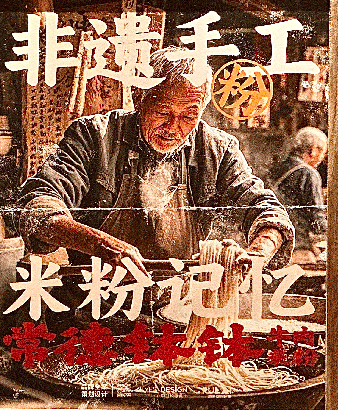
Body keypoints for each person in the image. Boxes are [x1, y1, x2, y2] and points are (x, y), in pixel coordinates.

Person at [17, 46, 294, 277]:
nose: (173, 127)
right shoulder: (94, 136)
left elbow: (266, 209)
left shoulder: (217, 149)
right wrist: (101, 245)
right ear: (139, 97)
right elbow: (38, 205)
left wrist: (257, 253)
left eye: (188, 116)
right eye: (162, 112)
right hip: (95, 299)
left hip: (182, 302)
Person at [267, 126, 327, 258]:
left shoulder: (275, 169)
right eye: (322, 152)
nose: (321, 158)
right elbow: (317, 220)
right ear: (313, 150)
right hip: (297, 246)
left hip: (271, 243)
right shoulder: (309, 173)